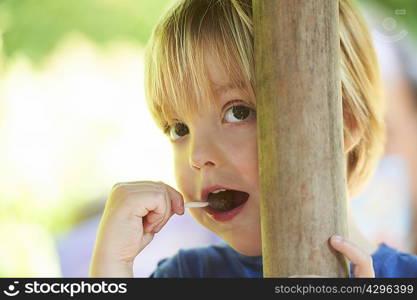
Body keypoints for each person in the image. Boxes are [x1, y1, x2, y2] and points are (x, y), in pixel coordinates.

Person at [89, 0, 417, 278]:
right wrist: (112, 268)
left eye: (239, 113)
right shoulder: (188, 275)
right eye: (179, 129)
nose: (197, 155)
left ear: (340, 127)